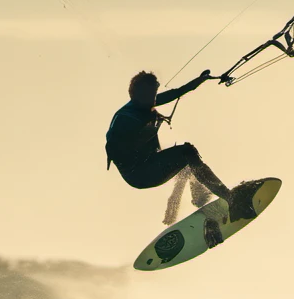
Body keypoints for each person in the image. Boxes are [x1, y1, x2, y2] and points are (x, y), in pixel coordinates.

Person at [105, 70, 257, 244]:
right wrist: (134, 144)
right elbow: (112, 146)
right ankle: (230, 199)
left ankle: (206, 208)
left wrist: (201, 79)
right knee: (186, 152)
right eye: (151, 95)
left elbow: (178, 92)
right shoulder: (125, 118)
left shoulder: (145, 102)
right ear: (138, 95)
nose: (154, 99)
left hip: (148, 164)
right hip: (139, 173)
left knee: (188, 161)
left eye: (155, 93)